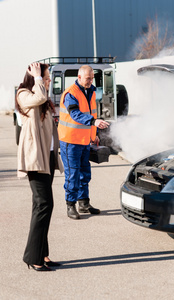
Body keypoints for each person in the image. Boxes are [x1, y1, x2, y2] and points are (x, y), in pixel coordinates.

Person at [16, 62, 63, 271]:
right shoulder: (24, 93)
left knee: (45, 206)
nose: (48, 81)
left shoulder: (41, 94)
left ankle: (42, 254)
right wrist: (36, 76)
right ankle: (32, 257)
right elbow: (40, 97)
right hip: (36, 158)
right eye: (46, 77)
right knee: (43, 205)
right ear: (35, 77)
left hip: (48, 157)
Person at [58, 65, 109, 220]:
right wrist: (94, 122)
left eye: (92, 78)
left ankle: (84, 203)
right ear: (79, 77)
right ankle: (70, 205)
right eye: (88, 78)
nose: (90, 81)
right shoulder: (70, 94)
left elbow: (92, 112)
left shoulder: (91, 92)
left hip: (84, 140)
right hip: (70, 141)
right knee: (73, 174)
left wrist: (95, 134)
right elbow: (75, 115)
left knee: (84, 173)